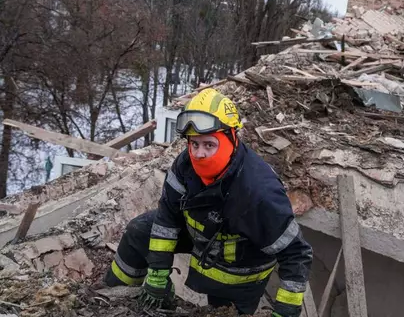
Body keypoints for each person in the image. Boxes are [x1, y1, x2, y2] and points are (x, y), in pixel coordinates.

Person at [104, 88, 313, 317]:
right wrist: (158, 270)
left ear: (231, 139)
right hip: (201, 235)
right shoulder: (184, 166)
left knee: (221, 311)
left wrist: (285, 310)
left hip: (240, 269)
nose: (199, 154)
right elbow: (167, 217)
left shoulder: (259, 192)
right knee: (140, 230)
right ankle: (114, 299)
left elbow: (296, 253)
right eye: (194, 144)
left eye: (209, 145)